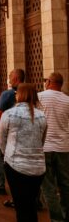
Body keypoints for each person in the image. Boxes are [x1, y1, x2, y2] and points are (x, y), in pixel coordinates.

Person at [0, 83, 47, 222]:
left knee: (21, 206)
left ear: (19, 95)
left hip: (15, 166)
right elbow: (41, 141)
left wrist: (6, 155)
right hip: (38, 167)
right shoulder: (41, 116)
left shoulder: (9, 114)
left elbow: (2, 140)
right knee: (31, 204)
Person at [0, 68, 26, 208]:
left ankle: (16, 200)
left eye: (10, 76)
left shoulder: (7, 94)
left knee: (14, 171)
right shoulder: (32, 92)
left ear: (16, 78)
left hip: (13, 138)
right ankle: (35, 199)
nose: (9, 79)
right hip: (30, 138)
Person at [38, 72, 69, 222]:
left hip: (45, 147)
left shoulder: (40, 97)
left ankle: (57, 219)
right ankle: (65, 213)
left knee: (48, 185)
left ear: (49, 81)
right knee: (65, 183)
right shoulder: (67, 100)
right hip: (64, 147)